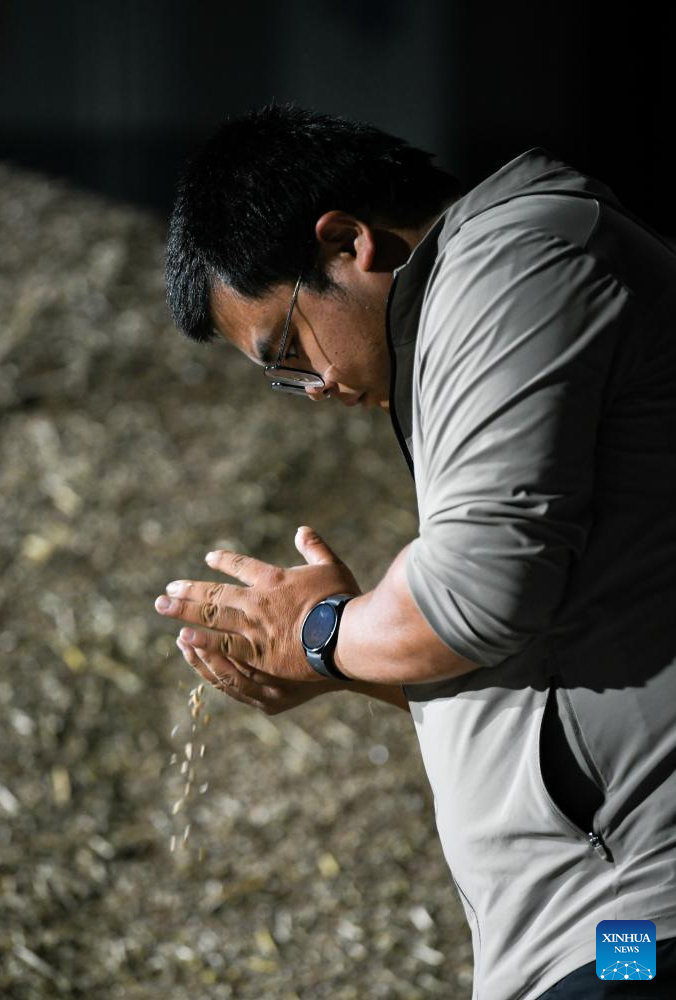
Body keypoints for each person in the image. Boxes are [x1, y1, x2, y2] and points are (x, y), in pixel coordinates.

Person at [154, 104, 676, 998]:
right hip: (582, 926)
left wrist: (319, 630)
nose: (312, 386)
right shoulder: (476, 300)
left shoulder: (517, 259)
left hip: (634, 923)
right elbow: (537, 657)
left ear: (349, 242)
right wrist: (346, 657)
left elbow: (478, 596)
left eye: (286, 348)